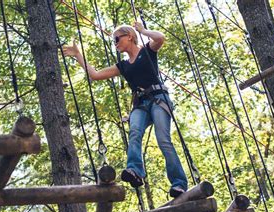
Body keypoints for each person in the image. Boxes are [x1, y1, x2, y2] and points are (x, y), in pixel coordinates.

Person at [63, 22, 188, 197]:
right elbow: (96, 75)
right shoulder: (123, 66)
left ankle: (179, 183)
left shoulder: (147, 52)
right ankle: (135, 170)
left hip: (158, 98)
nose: (115, 43)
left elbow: (160, 38)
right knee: (134, 132)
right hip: (140, 104)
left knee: (163, 140)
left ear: (129, 36)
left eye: (116, 39)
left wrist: (143, 31)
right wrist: (78, 55)